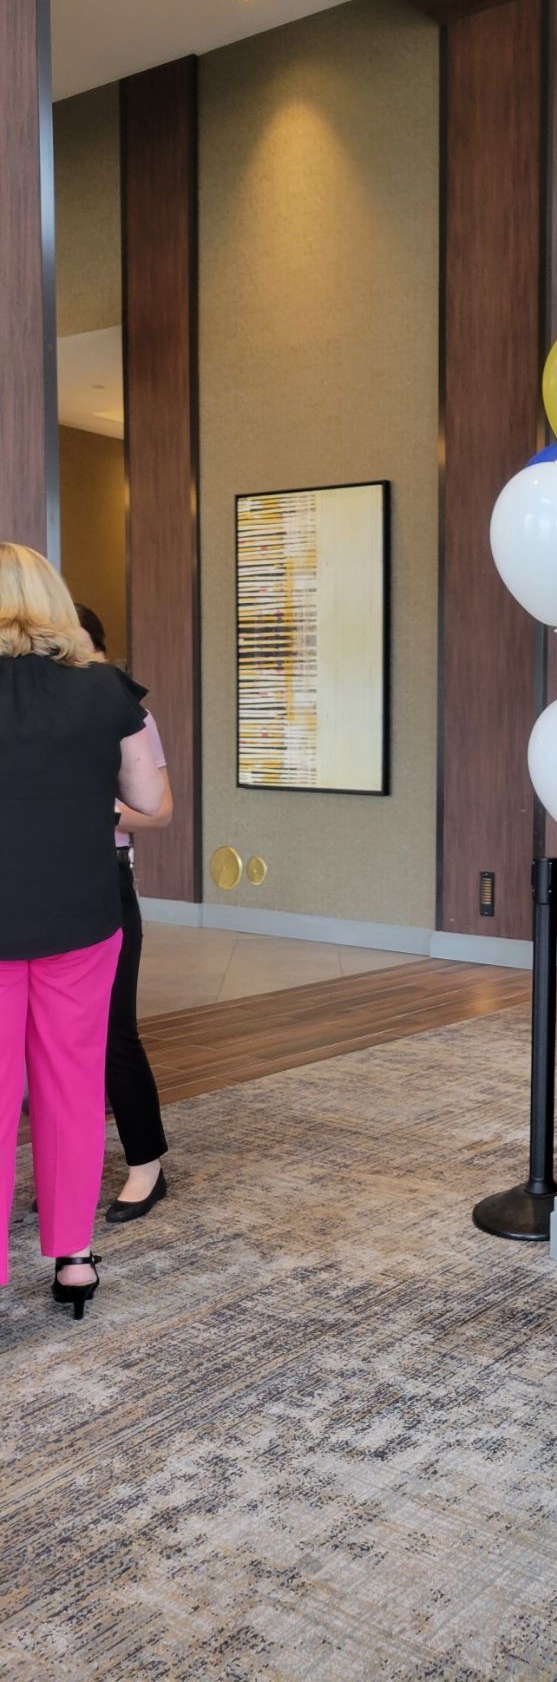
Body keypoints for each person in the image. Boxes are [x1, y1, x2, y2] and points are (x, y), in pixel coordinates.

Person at [0, 544, 164, 1317]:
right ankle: (70, 1258)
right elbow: (144, 800)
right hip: (82, 915)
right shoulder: (106, 690)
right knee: (69, 1086)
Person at [75, 605, 172, 1223]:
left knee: (113, 1030)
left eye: (83, 646)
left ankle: (146, 1165)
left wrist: (96, 811)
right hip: (40, 882)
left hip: (105, 879)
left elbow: (160, 812)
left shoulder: (126, 714)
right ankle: (71, 1161)